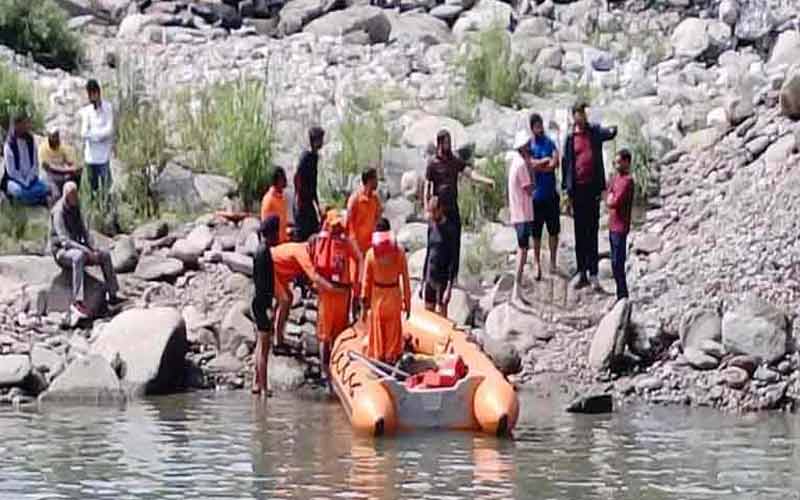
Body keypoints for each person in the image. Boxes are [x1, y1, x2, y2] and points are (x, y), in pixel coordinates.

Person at [423, 129, 494, 288]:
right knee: (434, 244)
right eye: (446, 142)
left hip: (452, 209)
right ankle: (427, 279)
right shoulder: (433, 163)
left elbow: (469, 173)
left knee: (454, 243)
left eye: (449, 141)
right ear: (440, 143)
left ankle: (452, 279)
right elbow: (427, 186)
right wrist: (427, 208)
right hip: (438, 211)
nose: (448, 145)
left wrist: (485, 180)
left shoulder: (454, 161)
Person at [561, 101, 617, 290]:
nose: (582, 117)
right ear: (573, 116)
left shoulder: (594, 132)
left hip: (592, 189)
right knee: (580, 231)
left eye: (584, 114)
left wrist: (612, 130)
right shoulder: (570, 139)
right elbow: (566, 165)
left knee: (592, 230)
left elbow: (608, 134)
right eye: (578, 114)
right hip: (577, 191)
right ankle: (581, 271)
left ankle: (593, 273)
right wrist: (566, 191)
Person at [49, 181, 121, 323]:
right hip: (62, 252)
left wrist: (92, 248)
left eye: (76, 197)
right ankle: (78, 300)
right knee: (79, 257)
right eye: (72, 197)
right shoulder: (58, 212)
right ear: (66, 196)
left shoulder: (75, 206)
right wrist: (86, 251)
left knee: (104, 255)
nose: (75, 200)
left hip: (78, 246)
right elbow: (65, 241)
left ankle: (113, 294)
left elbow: (83, 230)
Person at [310, 209, 361, 387]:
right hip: (327, 294)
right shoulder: (321, 242)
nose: (338, 229)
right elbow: (315, 272)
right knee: (325, 334)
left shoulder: (346, 242)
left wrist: (356, 286)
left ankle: (337, 366)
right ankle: (324, 370)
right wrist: (328, 286)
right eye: (335, 226)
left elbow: (359, 260)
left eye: (340, 226)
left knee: (340, 331)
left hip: (343, 293)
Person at [271, 240, 338, 355]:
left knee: (287, 299)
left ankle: (278, 335)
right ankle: (277, 342)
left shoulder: (305, 250)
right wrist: (334, 289)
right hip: (270, 267)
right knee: (285, 300)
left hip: (278, 270)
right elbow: (315, 277)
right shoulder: (303, 254)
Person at [361, 218, 411, 365]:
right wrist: (407, 304)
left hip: (378, 300)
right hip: (394, 298)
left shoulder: (371, 254)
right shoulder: (400, 252)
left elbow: (366, 283)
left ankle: (378, 363)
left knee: (378, 337)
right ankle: (391, 362)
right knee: (393, 339)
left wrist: (364, 307)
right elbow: (406, 281)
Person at [528, 113, 561, 280]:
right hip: (536, 196)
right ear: (532, 128)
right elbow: (530, 164)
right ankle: (536, 262)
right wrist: (543, 162)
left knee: (554, 230)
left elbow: (555, 162)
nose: (539, 129)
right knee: (536, 233)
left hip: (550, 194)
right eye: (536, 126)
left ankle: (553, 262)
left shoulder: (549, 142)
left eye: (541, 125)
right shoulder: (529, 145)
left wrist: (544, 164)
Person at [346, 167, 381, 313]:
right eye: (375, 179)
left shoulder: (375, 200)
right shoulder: (355, 200)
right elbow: (348, 224)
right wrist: (355, 247)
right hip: (355, 248)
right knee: (355, 282)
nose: (377, 182)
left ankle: (364, 315)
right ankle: (352, 314)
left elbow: (378, 220)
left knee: (368, 283)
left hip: (370, 248)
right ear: (369, 180)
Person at [251, 215, 280, 396]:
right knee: (264, 348)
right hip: (262, 304)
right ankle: (264, 387)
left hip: (258, 302)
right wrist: (269, 308)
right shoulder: (264, 253)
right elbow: (264, 284)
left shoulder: (259, 250)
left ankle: (256, 383)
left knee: (259, 345)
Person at [507, 130, 535, 303]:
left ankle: (517, 289)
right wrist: (533, 171)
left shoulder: (514, 163)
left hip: (518, 213)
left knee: (522, 249)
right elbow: (529, 188)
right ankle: (516, 288)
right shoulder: (522, 165)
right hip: (523, 213)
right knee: (522, 250)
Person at [422, 196, 459, 316]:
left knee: (441, 315)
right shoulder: (431, 227)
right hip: (430, 275)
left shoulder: (450, 230)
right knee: (428, 314)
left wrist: (449, 287)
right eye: (430, 213)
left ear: (440, 210)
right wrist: (423, 280)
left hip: (442, 279)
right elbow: (428, 252)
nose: (432, 216)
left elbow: (454, 259)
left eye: (434, 213)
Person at [3, 111, 49, 206]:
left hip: (31, 180)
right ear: (16, 125)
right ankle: (35, 199)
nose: (27, 125)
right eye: (24, 123)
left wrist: (29, 179)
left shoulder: (30, 140)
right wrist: (24, 182)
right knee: (18, 191)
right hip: (15, 181)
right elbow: (11, 171)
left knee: (46, 188)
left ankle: (29, 199)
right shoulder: (9, 145)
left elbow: (35, 164)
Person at [606, 149, 635, 301]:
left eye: (619, 162)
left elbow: (615, 201)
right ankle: (620, 294)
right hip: (612, 225)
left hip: (620, 228)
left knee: (618, 263)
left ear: (626, 162)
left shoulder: (628, 181)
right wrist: (610, 199)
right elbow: (609, 195)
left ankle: (623, 295)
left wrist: (611, 199)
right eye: (615, 162)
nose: (616, 166)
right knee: (614, 262)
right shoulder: (616, 178)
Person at [79, 79, 114, 193]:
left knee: (106, 188)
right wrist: (99, 136)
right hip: (90, 157)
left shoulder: (108, 108)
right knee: (92, 189)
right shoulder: (86, 111)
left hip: (103, 156)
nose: (92, 97)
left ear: (98, 93)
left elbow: (109, 130)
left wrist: (93, 134)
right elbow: (84, 133)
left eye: (94, 93)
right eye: (90, 94)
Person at [293, 126, 325, 242]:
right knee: (304, 232)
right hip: (302, 201)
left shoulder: (314, 157)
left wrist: (317, 203)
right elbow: (297, 177)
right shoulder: (306, 157)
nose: (322, 142)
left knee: (314, 229)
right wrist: (299, 199)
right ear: (315, 141)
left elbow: (313, 184)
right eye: (320, 139)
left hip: (308, 200)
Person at [39, 129, 81, 202]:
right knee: (56, 195)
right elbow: (48, 168)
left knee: (77, 173)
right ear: (49, 137)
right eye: (53, 137)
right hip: (49, 175)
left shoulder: (62, 146)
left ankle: (73, 196)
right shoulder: (43, 148)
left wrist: (74, 169)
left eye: (57, 136)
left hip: (61, 173)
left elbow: (70, 162)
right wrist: (67, 170)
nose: (56, 139)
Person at [260, 167, 289, 244]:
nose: (284, 181)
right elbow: (265, 227)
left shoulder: (283, 198)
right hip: (274, 244)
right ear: (275, 180)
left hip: (284, 240)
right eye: (281, 179)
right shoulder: (269, 199)